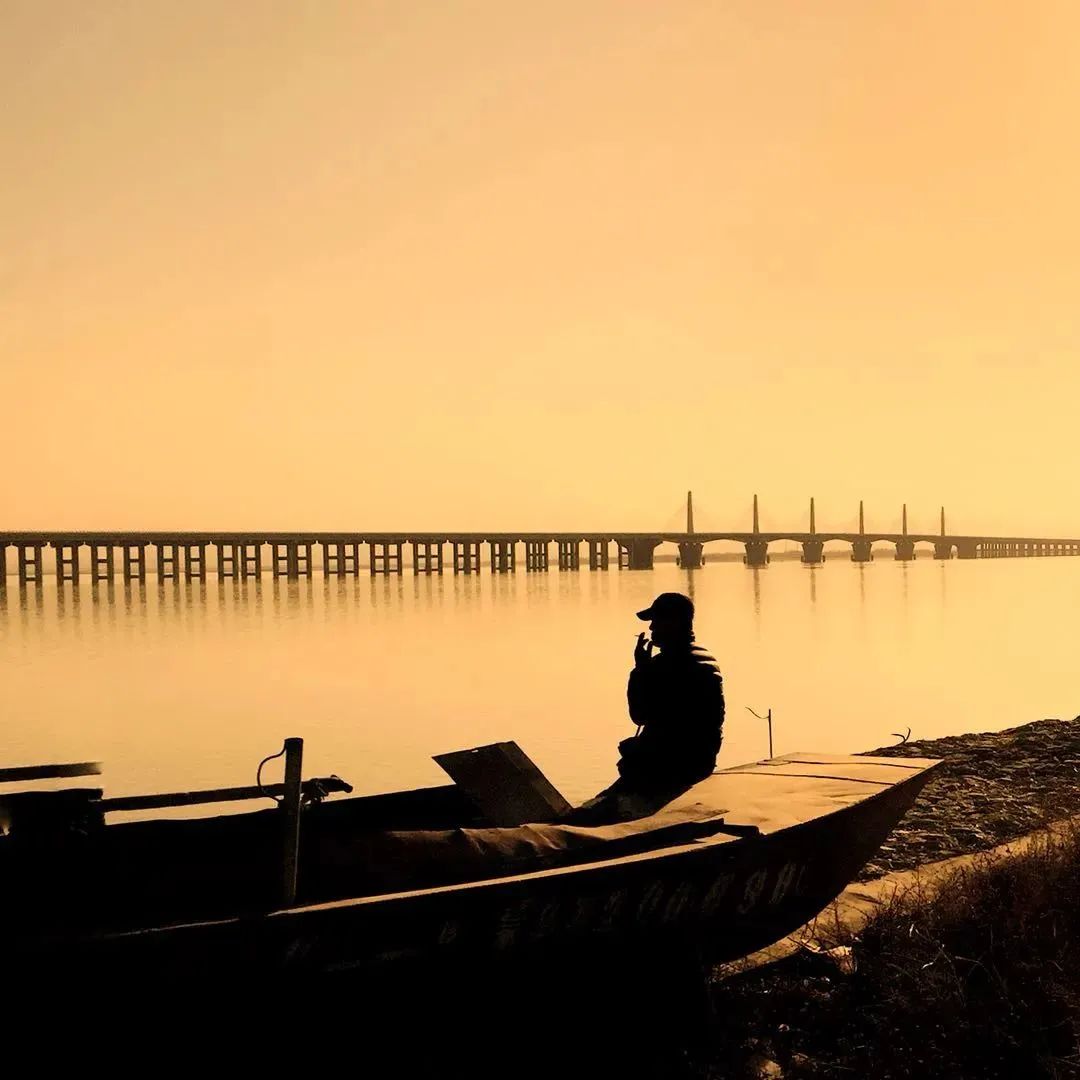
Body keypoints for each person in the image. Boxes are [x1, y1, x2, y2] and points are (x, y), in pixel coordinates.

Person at [570, 592, 725, 823]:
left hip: (669, 768)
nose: (651, 628)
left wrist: (640, 670)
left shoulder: (667, 665)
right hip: (700, 760)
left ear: (674, 623)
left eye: (656, 621)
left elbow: (639, 715)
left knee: (584, 816)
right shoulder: (705, 657)